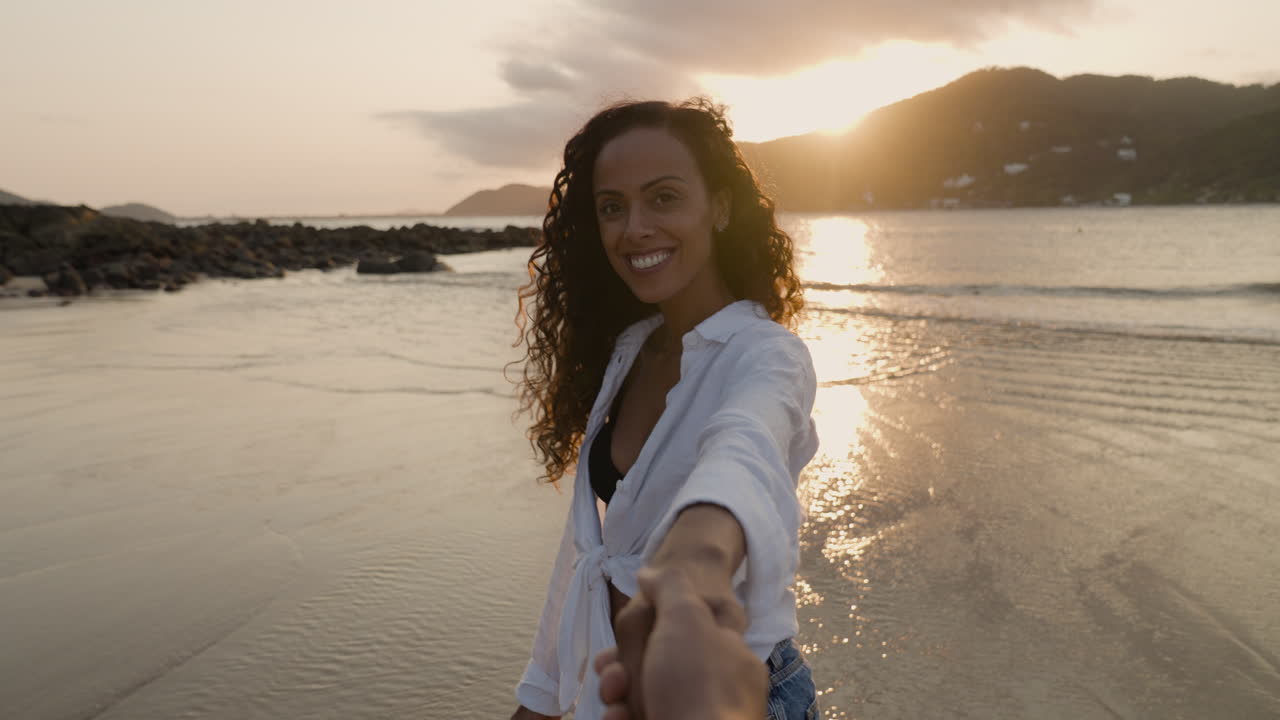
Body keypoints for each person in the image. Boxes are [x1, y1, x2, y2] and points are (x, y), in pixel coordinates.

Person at [510, 97, 820, 720]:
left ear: (722, 207)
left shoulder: (767, 356)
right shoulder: (629, 351)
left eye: (665, 198)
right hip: (618, 687)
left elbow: (744, 452)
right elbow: (586, 556)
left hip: (725, 692)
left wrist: (691, 573)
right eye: (612, 208)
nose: (635, 228)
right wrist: (539, 698)